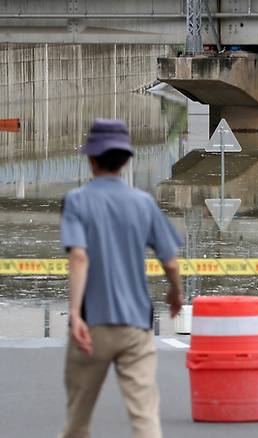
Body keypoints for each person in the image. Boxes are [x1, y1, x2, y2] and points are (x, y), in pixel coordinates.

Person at [59, 119, 184, 438]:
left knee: (78, 420)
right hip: (135, 327)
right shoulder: (144, 203)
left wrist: (74, 314)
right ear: (127, 160)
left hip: (91, 326)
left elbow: (78, 256)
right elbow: (170, 261)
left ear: (91, 159)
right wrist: (176, 292)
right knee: (144, 417)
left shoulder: (77, 201)